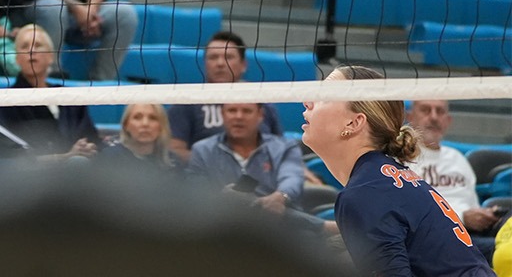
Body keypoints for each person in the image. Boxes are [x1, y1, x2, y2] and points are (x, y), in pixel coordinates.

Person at [305, 64, 494, 276]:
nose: (307, 102)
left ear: (354, 122)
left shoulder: (366, 193)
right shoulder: (384, 180)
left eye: (325, 96)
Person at [0, 25, 99, 162]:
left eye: (38, 45)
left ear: (51, 57)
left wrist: (86, 148)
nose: (31, 51)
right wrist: (63, 157)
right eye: (24, 46)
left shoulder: (70, 99)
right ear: (17, 59)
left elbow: (92, 141)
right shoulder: (2, 104)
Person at [167, 30, 285, 159]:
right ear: (205, 64)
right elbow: (175, 151)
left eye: (228, 57)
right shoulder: (187, 101)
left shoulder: (261, 101)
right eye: (213, 57)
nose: (220, 63)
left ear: (243, 65)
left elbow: (280, 149)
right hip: (207, 176)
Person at [409, 100, 505, 245]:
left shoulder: (458, 159)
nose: (434, 117)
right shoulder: (401, 159)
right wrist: (461, 217)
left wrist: (485, 216)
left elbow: (472, 205)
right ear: (410, 117)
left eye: (440, 112)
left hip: (472, 234)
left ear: (448, 121)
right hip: (432, 238)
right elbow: (409, 212)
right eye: (426, 110)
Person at [186, 103, 307, 219]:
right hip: (221, 223)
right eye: (232, 110)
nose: (239, 117)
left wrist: (280, 196)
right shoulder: (202, 149)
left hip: (277, 222)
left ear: (260, 115)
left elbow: (292, 177)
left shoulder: (284, 147)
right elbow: (197, 193)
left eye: (247, 111)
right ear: (222, 114)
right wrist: (220, 198)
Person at [99, 102, 181, 172]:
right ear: (126, 125)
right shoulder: (109, 159)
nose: (145, 124)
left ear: (161, 126)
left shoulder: (173, 163)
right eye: (137, 117)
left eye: (153, 118)